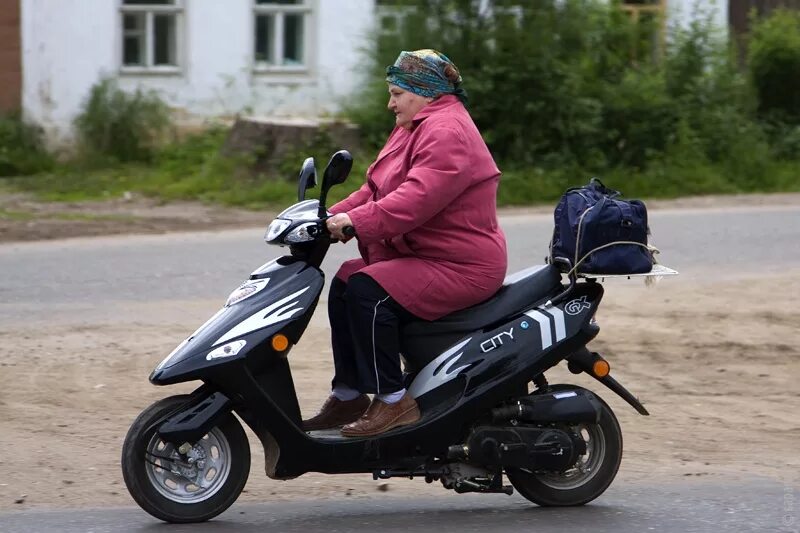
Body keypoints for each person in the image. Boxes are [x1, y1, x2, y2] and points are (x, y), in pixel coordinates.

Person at [302, 49, 507, 437]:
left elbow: (416, 199)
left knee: (368, 289)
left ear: (424, 91)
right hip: (425, 255)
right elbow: (375, 189)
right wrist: (325, 216)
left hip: (461, 265)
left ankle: (395, 402)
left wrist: (354, 223)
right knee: (347, 280)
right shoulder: (414, 124)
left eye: (396, 93)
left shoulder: (447, 131)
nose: (389, 103)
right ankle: (348, 395)